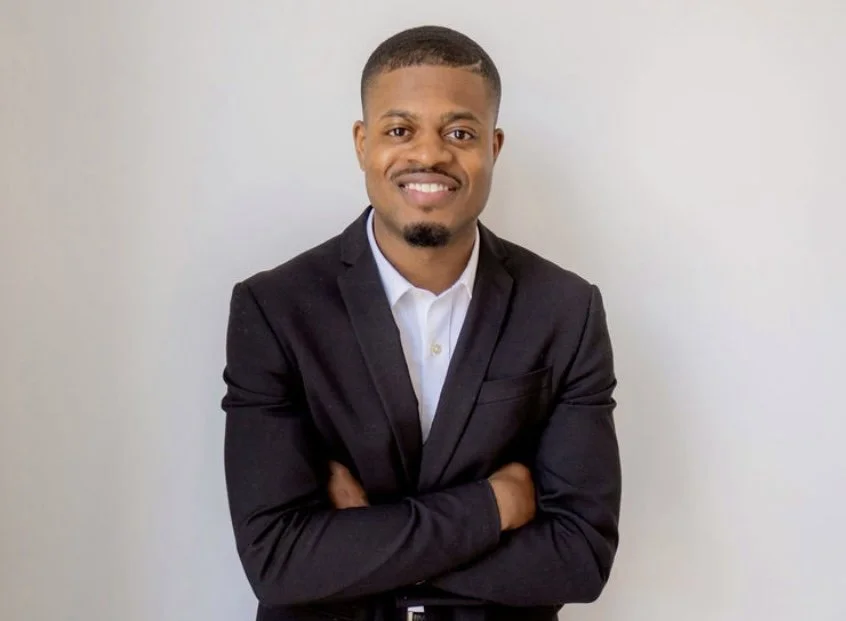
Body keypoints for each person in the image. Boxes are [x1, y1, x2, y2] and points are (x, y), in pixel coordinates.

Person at [221, 24, 621, 621]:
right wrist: (495, 507)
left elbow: (579, 559)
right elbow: (279, 561)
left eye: (459, 133)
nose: (429, 154)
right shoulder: (274, 308)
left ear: (494, 147)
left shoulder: (566, 309)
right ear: (363, 144)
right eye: (399, 130)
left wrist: (365, 538)